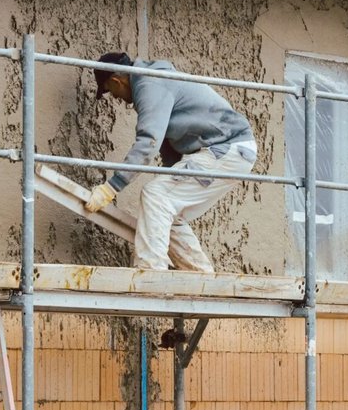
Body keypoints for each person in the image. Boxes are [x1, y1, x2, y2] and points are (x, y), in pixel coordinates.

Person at [84, 52, 258, 272]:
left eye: (111, 91)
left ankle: (150, 274)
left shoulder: (150, 84)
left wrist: (111, 187)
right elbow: (169, 146)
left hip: (227, 148)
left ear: (116, 80)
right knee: (168, 211)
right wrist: (171, 173)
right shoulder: (153, 82)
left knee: (155, 195)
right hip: (229, 152)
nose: (116, 98)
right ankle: (202, 277)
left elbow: (149, 141)